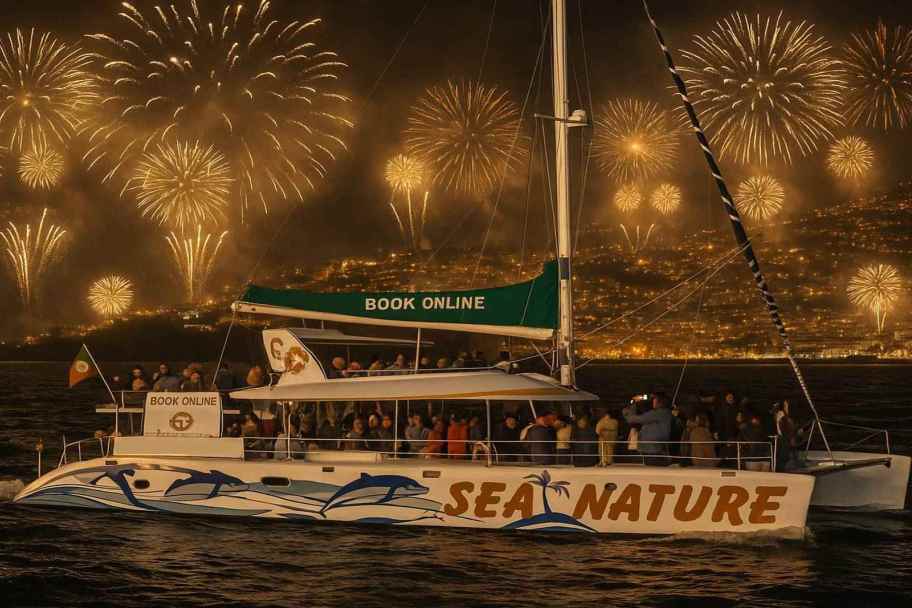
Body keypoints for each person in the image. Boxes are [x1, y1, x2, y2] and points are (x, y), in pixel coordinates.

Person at [623, 394, 673, 466]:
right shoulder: (664, 413)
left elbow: (633, 419)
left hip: (652, 448)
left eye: (655, 399)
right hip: (654, 447)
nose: (653, 401)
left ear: (660, 402)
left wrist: (630, 407)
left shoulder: (658, 413)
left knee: (653, 468)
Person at [774, 401, 800, 471]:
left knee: (789, 453)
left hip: (786, 437)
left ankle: (791, 465)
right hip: (784, 437)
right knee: (784, 454)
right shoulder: (782, 415)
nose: (787, 407)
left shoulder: (785, 417)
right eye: (786, 406)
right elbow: (782, 426)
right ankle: (784, 467)